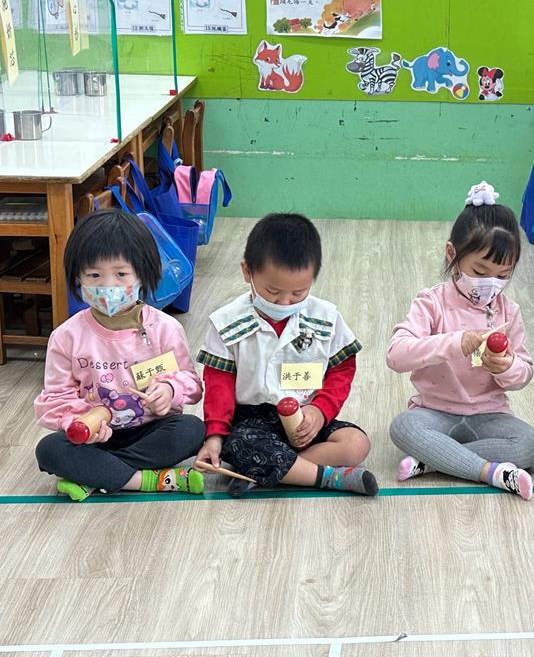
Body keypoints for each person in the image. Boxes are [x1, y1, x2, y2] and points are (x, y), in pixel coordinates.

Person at [195, 213, 377, 496]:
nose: (284, 301)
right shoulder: (226, 323)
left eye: (298, 293)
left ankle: (265, 472)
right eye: (272, 291)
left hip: (306, 416)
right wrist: (215, 436)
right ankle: (327, 478)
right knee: (240, 444)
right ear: (247, 271)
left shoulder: (326, 317)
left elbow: (341, 370)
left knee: (356, 444)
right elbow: (219, 384)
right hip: (252, 423)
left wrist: (320, 410)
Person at [34, 209, 205, 502]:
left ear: (143, 273)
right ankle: (150, 480)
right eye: (94, 275)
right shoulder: (66, 336)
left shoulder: (165, 328)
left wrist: (169, 389)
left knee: (191, 429)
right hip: (94, 439)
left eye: (121, 274)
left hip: (150, 430)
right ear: (77, 279)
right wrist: (81, 421)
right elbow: (56, 398)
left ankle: (96, 476)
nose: (108, 286)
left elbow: (191, 383)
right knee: (49, 449)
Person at [388, 182, 534, 500]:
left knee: (530, 445)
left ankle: (435, 461)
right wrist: (455, 342)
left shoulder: (509, 311)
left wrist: (507, 366)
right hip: (434, 412)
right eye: (480, 271)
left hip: (489, 415)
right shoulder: (432, 302)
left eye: (503, 275)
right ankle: (490, 473)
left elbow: (524, 374)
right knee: (403, 427)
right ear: (452, 254)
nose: (491, 283)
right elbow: (396, 355)